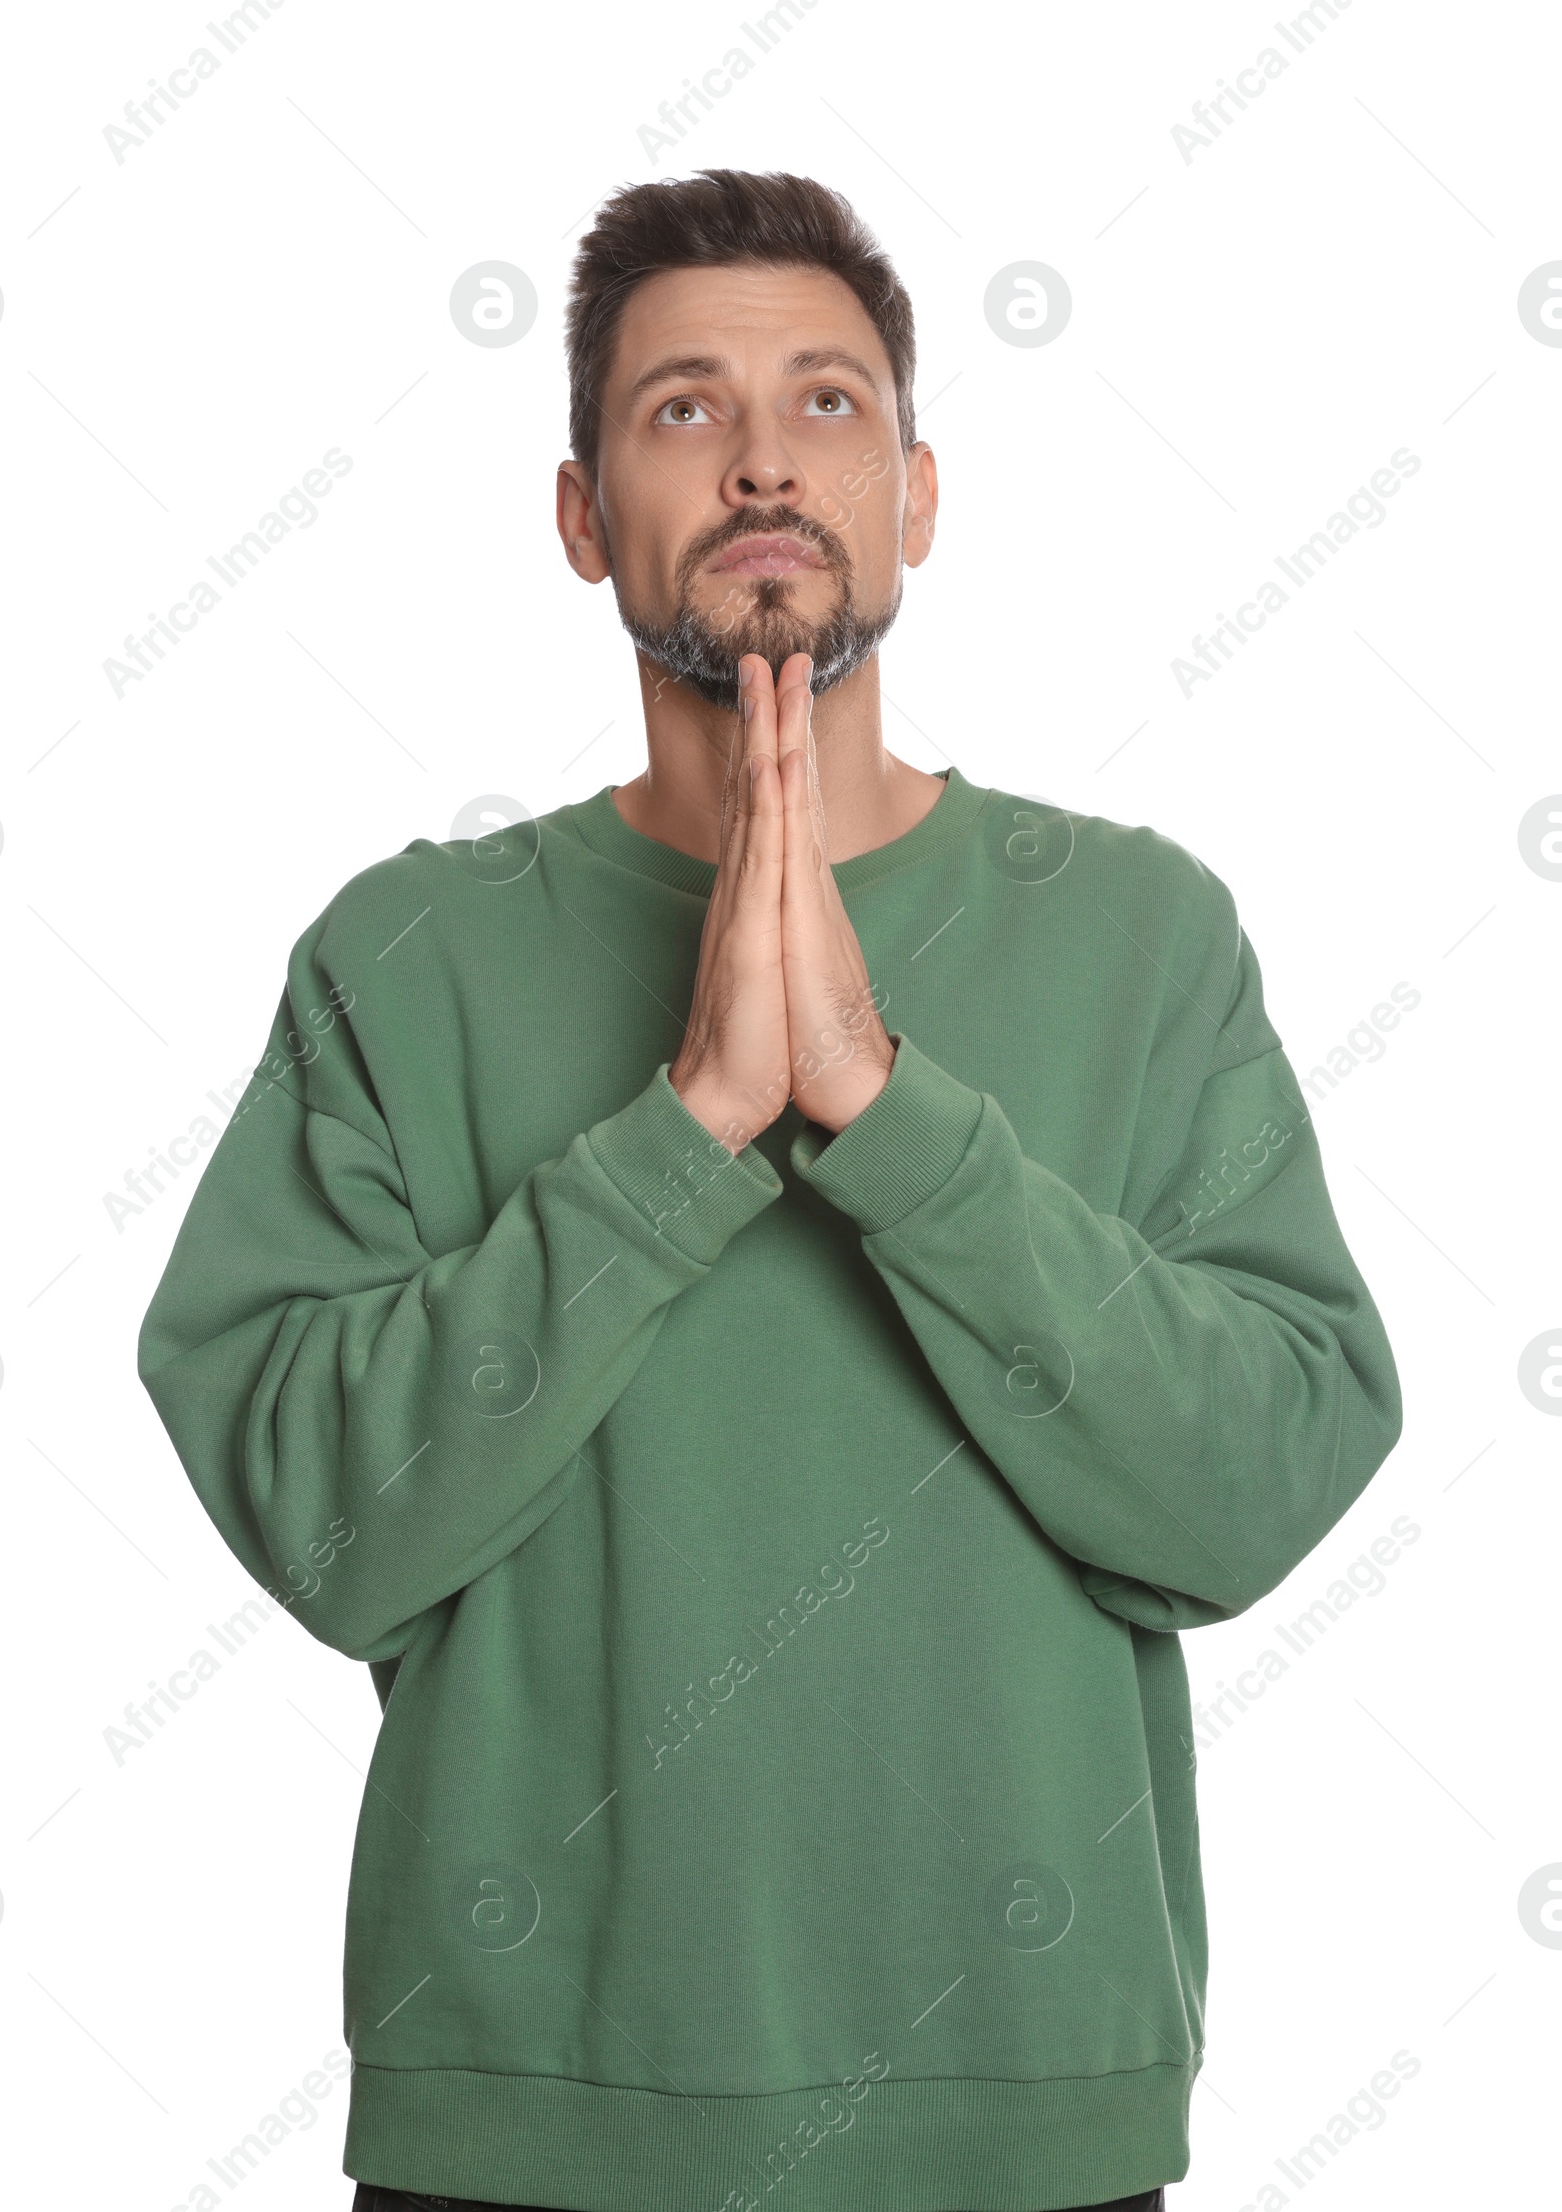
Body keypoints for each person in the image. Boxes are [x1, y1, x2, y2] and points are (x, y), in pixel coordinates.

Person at [138, 168, 1402, 2212]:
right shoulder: (406, 956)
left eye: (823, 404)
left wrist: (880, 1115)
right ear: (578, 518)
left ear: (912, 493)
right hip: (524, 2129)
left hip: (1022, 2127)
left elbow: (1247, 1487)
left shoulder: (1144, 936)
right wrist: (685, 1129)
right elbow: (327, 1525)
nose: (753, 455)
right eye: (675, 408)